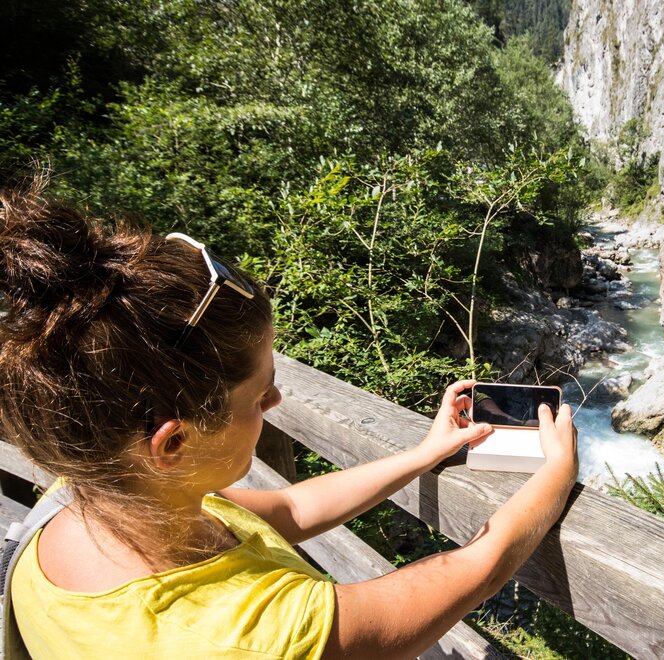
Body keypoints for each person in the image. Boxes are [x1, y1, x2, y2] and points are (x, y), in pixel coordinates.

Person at [0, 176, 578, 659]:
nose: (275, 402)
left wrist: (424, 455)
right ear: (172, 444)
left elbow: (292, 509)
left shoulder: (98, 501)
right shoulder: (252, 636)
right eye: (259, 396)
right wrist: (557, 473)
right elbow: (480, 568)